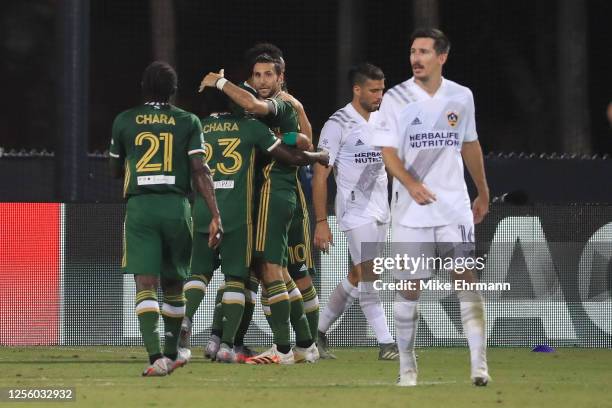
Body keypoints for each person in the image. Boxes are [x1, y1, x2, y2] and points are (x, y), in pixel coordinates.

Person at [372, 28, 491, 386]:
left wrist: (483, 191)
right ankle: (407, 366)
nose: (416, 58)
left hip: (453, 206)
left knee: (466, 280)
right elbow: (387, 152)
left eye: (423, 51)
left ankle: (479, 364)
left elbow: (469, 144)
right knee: (409, 287)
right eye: (412, 51)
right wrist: (411, 184)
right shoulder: (395, 98)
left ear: (442, 56)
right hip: (409, 211)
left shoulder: (461, 96)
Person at [180, 88, 328, 363]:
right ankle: (233, 344)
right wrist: (318, 156)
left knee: (200, 273)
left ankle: (191, 323)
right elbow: (295, 151)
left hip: (205, 209)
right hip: (242, 212)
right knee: (245, 277)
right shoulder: (250, 127)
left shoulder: (197, 126)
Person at [108, 61, 222, 376]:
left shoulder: (125, 121)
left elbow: (114, 170)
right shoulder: (188, 122)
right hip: (177, 208)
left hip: (141, 208)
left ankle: (156, 356)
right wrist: (215, 215)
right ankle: (173, 354)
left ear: (144, 87)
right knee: (174, 284)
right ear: (173, 90)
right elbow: (201, 170)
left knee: (145, 283)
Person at [312, 63, 399, 360]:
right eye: (374, 90)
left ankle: (318, 332)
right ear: (357, 89)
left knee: (357, 274)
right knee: (369, 276)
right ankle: (387, 344)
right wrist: (322, 221)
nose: (379, 96)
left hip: (380, 212)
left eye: (382, 90)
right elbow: (321, 175)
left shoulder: (385, 120)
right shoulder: (337, 124)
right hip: (354, 212)